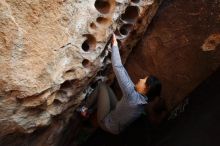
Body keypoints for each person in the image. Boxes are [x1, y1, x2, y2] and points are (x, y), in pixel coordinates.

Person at [77, 34, 162, 135]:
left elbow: (118, 67)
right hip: (117, 118)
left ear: (146, 89)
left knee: (101, 87)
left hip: (107, 123)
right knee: (107, 89)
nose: (140, 79)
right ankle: (89, 111)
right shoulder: (144, 102)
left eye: (144, 80)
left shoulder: (132, 96)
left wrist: (114, 44)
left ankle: (84, 109)